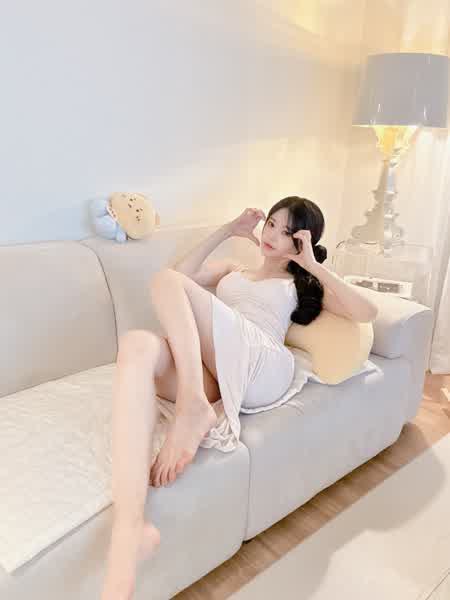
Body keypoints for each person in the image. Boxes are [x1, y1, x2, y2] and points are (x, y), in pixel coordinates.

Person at [100, 195, 378, 600]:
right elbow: (180, 276)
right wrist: (229, 230)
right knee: (137, 344)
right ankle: (131, 529)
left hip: (262, 365)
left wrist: (312, 265)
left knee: (164, 280)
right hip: (217, 370)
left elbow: (366, 312)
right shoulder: (234, 270)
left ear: (302, 242)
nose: (272, 235)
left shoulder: (300, 283)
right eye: (271, 224)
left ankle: (192, 406)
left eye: (287, 232)